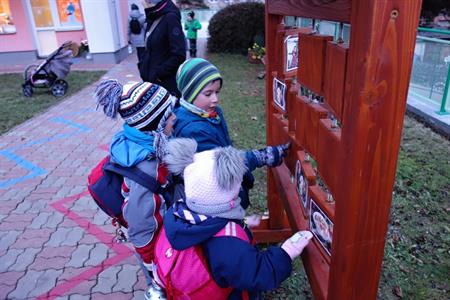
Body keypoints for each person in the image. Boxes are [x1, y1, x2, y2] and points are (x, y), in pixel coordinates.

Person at [157, 139, 313, 299]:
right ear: (222, 195)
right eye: (235, 182)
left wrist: (241, 225)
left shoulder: (180, 212)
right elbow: (258, 273)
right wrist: (287, 251)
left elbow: (211, 231)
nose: (239, 185)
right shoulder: (229, 246)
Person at [94, 79, 177, 294]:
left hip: (158, 232)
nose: (175, 119)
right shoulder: (147, 167)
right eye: (169, 116)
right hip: (153, 246)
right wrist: (151, 264)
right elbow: (140, 223)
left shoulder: (139, 139)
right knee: (162, 287)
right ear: (154, 125)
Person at [173, 58, 290, 210]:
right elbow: (216, 166)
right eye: (208, 94)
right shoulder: (193, 130)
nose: (215, 99)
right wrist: (260, 156)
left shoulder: (210, 114)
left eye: (217, 92)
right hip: (214, 200)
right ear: (189, 93)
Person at [139, 0, 186, 98]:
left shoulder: (170, 18)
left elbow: (179, 54)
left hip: (165, 85)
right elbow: (149, 49)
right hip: (151, 84)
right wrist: (143, 67)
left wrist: (158, 73)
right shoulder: (153, 17)